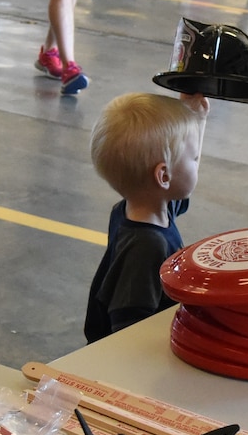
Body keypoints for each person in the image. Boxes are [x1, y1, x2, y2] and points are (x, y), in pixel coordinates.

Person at [84, 92, 208, 343]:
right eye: (194, 158)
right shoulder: (146, 246)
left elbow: (178, 187)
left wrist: (199, 119)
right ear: (163, 176)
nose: (198, 163)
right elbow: (128, 327)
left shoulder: (137, 208)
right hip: (123, 356)